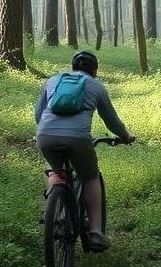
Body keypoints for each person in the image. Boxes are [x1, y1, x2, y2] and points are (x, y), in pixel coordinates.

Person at [34, 50, 135, 251]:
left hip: (45, 135)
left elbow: (39, 114)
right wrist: (125, 135)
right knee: (90, 176)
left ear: (73, 67)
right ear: (95, 70)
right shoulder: (96, 86)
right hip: (78, 139)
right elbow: (111, 119)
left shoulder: (53, 81)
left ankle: (51, 212)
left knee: (56, 170)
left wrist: (49, 130)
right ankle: (96, 232)